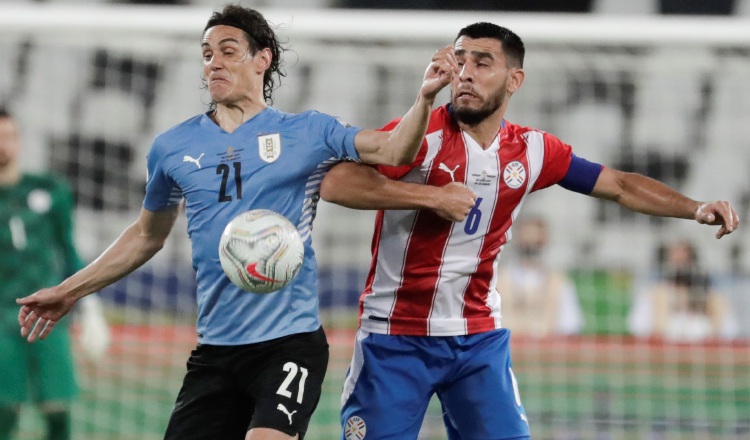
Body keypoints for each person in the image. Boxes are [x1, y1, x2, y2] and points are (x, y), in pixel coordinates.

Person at [15, 5, 461, 440]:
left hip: (290, 345)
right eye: (207, 54)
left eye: (228, 51)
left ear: (262, 59)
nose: (214, 63)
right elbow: (145, 236)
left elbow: (392, 151)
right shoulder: (172, 147)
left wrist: (424, 97)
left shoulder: (307, 132)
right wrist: (69, 290)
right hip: (216, 351)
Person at [319, 22, 740, 439]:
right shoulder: (419, 132)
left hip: (476, 340)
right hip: (396, 336)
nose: (465, 73)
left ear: (514, 79)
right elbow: (337, 182)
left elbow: (620, 185)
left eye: (483, 63)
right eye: (460, 60)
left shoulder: (533, 150)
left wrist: (695, 208)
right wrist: (431, 198)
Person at [0, 107, 109, 440]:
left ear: (19, 140)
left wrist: (91, 309)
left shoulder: (50, 189)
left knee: (57, 408)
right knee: (4, 410)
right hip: (2, 318)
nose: (4, 145)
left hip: (49, 315)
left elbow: (68, 250)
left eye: (9, 136)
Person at [628, 239, 739, 342]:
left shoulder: (714, 297)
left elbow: (729, 331)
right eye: (676, 260)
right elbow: (638, 328)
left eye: (685, 260)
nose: (680, 266)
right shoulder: (653, 294)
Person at [495, 216, 583, 337]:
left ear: (544, 242)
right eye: (526, 241)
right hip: (509, 349)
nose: (530, 246)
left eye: (536, 242)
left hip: (547, 351)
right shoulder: (498, 279)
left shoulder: (558, 281)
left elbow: (571, 326)